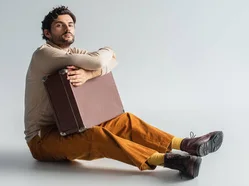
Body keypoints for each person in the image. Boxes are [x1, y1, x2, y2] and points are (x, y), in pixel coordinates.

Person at [23, 5, 223, 179]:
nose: (67, 29)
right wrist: (102, 58)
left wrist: (90, 74)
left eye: (71, 24)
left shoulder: (72, 53)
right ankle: (170, 161)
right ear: (47, 33)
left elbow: (111, 60)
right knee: (96, 135)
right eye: (60, 25)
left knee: (125, 121)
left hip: (69, 125)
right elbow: (101, 60)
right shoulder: (44, 54)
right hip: (42, 139)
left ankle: (187, 144)